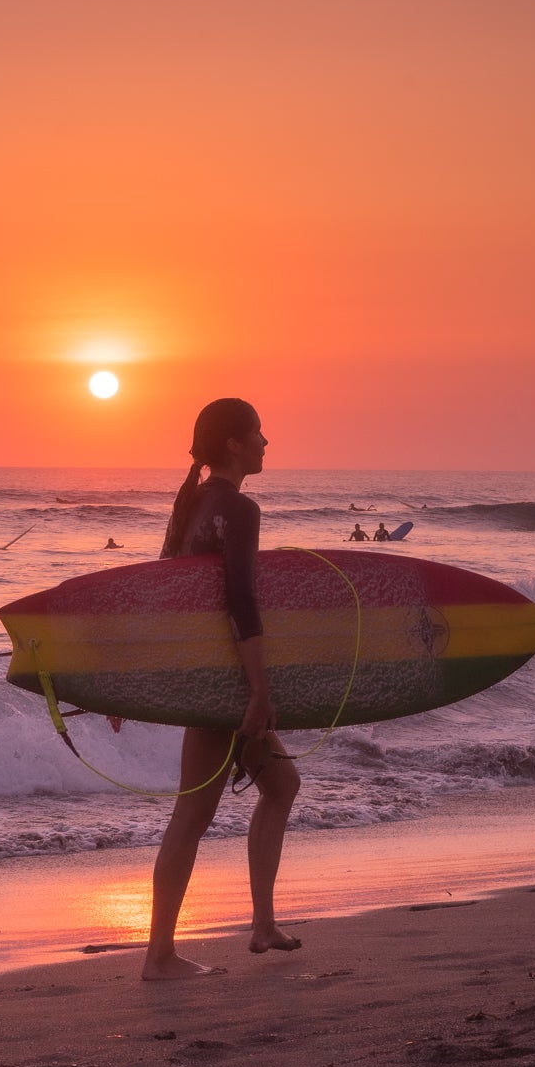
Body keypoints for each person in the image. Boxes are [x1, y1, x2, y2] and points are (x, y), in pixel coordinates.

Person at [142, 399, 301, 980]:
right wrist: (258, 690)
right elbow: (241, 602)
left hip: (205, 675)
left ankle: (262, 923)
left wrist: (134, 677)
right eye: (258, 433)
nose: (266, 442)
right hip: (224, 684)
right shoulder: (235, 507)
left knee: (282, 783)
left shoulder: (193, 504)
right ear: (234, 444)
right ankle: (158, 955)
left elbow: (164, 594)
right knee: (193, 813)